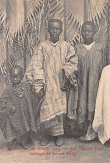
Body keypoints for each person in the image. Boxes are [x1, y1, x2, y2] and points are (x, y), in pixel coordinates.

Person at [25, 19, 78, 147]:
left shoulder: (66, 46)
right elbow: (36, 65)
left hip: (60, 84)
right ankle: (46, 135)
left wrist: (66, 75)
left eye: (57, 28)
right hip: (47, 83)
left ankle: (59, 135)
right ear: (48, 30)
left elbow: (73, 61)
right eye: (52, 28)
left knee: (59, 108)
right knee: (46, 109)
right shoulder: (43, 46)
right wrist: (39, 84)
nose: (55, 31)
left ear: (61, 30)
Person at [76, 21, 106, 142]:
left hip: (95, 83)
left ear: (95, 32)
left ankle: (92, 129)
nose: (86, 33)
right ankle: (85, 128)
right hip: (82, 82)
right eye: (84, 30)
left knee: (93, 104)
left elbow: (104, 66)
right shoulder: (77, 48)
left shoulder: (100, 48)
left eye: (89, 31)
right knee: (82, 103)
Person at [0, 65, 39, 149]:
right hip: (13, 115)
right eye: (13, 77)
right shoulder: (8, 89)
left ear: (22, 77)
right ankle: (12, 141)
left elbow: (32, 96)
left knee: (25, 125)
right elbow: (2, 102)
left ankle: (24, 140)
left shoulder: (26, 87)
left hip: (24, 114)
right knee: (9, 125)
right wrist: (9, 107)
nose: (15, 79)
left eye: (17, 77)